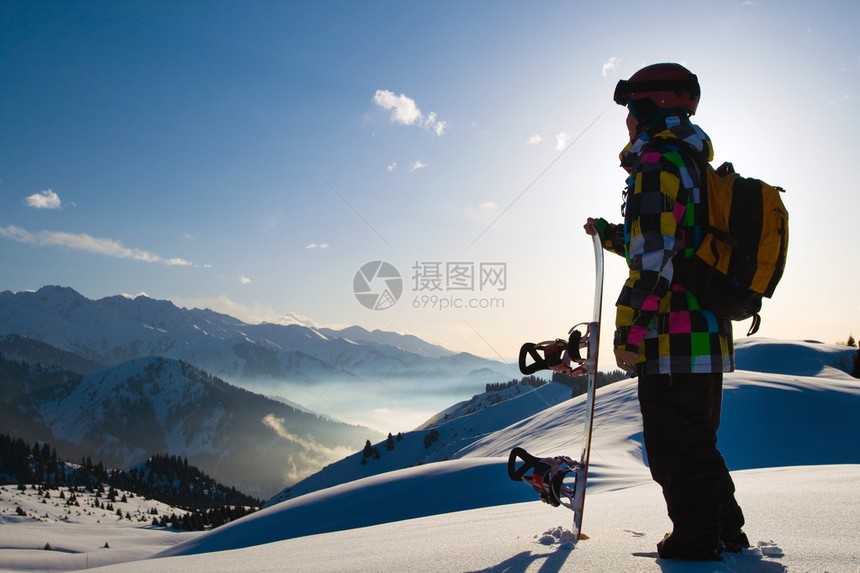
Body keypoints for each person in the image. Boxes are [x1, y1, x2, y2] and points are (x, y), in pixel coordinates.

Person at [584, 63, 748, 561]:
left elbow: (653, 261)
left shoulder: (656, 162)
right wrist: (611, 233)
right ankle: (726, 532)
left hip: (671, 333)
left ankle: (697, 543)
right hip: (706, 331)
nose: (626, 122)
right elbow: (671, 242)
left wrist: (630, 332)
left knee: (673, 448)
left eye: (630, 110)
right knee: (697, 441)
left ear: (649, 107)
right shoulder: (691, 159)